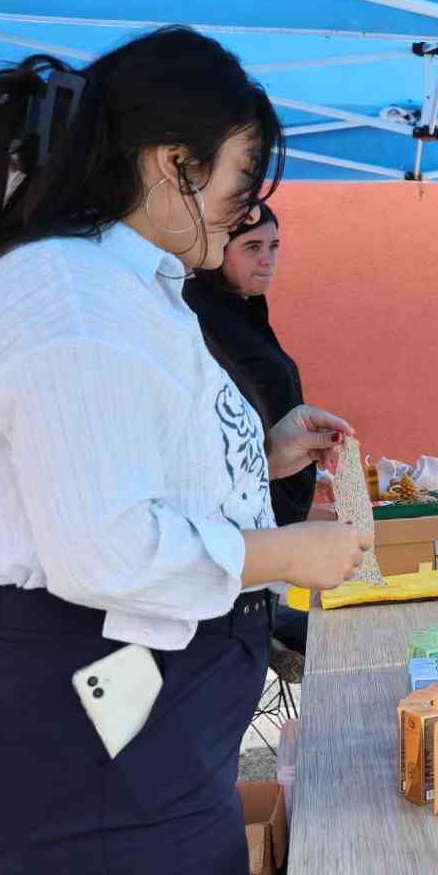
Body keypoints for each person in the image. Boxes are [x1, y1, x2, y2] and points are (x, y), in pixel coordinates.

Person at [0, 27, 372, 875]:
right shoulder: (71, 292)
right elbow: (104, 546)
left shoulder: (124, 286)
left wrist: (267, 452)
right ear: (174, 163)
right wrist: (287, 555)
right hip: (98, 733)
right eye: (241, 183)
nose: (246, 209)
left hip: (135, 728)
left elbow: (134, 472)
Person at [184, 201, 315, 673]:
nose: (268, 259)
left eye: (275, 246)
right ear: (218, 249)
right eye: (252, 247)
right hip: (234, 537)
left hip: (268, 523)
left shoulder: (245, 312)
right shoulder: (199, 316)